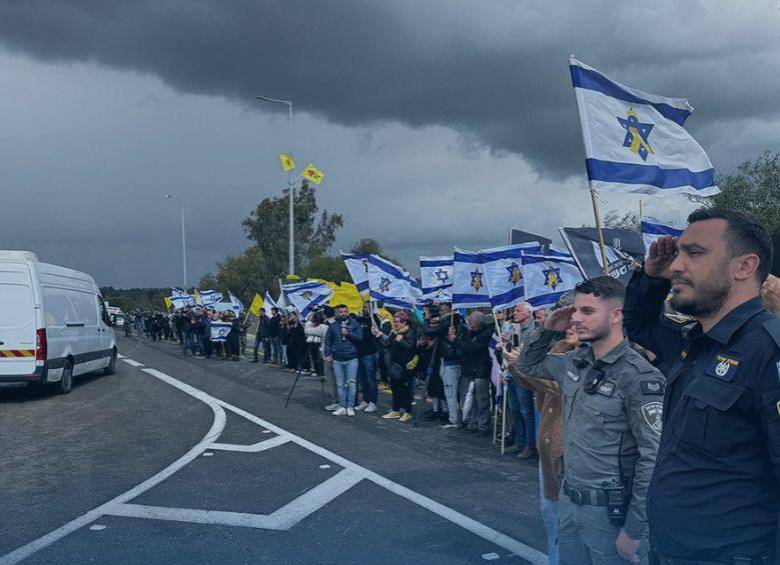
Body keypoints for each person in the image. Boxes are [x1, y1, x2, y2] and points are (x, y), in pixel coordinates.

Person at [623, 207, 780, 563]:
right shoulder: (693, 342)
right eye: (678, 252)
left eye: (694, 253)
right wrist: (651, 277)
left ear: (744, 266)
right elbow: (637, 323)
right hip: (669, 551)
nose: (676, 265)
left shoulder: (769, 352)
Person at [523, 276, 665, 564]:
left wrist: (635, 529)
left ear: (616, 316)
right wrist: (548, 330)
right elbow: (528, 364)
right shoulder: (576, 362)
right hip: (570, 504)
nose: (575, 318)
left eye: (587, 311)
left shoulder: (639, 377)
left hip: (611, 516)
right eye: (575, 310)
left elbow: (653, 459)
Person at [503, 296, 574, 565]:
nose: (572, 322)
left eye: (582, 313)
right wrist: (516, 364)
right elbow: (536, 383)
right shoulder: (559, 348)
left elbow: (554, 383)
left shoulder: (589, 356)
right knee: (552, 518)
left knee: (572, 527)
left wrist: (519, 365)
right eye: (567, 316)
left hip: (572, 456)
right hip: (550, 454)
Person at [448, 311, 493, 435]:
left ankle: (483, 426)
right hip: (469, 370)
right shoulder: (469, 333)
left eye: (471, 320)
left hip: (480, 371)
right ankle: (473, 423)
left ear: (475, 323)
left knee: (482, 400)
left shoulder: (486, 334)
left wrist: (455, 340)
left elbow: (471, 348)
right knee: (470, 399)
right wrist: (455, 336)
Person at [502, 302, 537, 458]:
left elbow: (526, 354)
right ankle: (520, 442)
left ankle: (530, 445)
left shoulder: (534, 330)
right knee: (515, 410)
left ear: (528, 313)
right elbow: (511, 351)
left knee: (526, 411)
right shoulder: (513, 328)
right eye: (514, 310)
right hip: (511, 373)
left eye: (518, 310)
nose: (514, 313)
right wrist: (505, 344)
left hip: (523, 375)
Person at [425, 302, 464, 430]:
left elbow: (430, 331)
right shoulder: (459, 320)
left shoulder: (448, 322)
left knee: (450, 392)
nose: (439, 311)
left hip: (451, 360)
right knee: (459, 393)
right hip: (454, 360)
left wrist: (426, 319)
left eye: (440, 309)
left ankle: (454, 420)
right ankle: (463, 418)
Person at [374, 310, 418, 422]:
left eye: (398, 322)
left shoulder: (410, 332)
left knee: (405, 390)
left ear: (404, 323)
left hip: (406, 366)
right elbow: (387, 345)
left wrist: (402, 340)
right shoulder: (394, 333)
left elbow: (412, 348)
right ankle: (395, 410)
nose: (396, 324)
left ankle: (408, 412)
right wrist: (378, 336)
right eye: (395, 322)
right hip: (394, 366)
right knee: (395, 388)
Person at [324, 305, 364, 416]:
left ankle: (350, 406)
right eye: (341, 312)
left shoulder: (355, 324)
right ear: (337, 313)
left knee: (351, 383)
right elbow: (328, 342)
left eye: (345, 311)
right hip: (337, 358)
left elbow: (360, 339)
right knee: (340, 383)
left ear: (348, 312)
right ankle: (342, 406)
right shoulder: (333, 326)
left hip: (351, 358)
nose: (343, 313)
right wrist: (327, 354)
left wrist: (349, 333)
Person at [355, 305, 380, 413]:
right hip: (359, 353)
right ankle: (365, 400)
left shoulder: (374, 319)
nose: (364, 309)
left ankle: (373, 402)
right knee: (362, 379)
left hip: (370, 353)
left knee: (371, 379)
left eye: (367, 307)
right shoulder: (360, 319)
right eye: (364, 307)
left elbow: (373, 334)